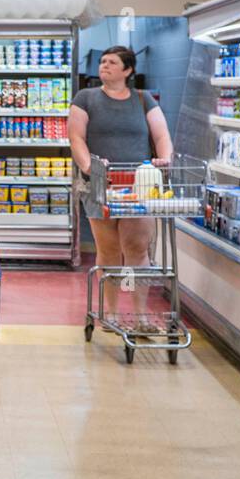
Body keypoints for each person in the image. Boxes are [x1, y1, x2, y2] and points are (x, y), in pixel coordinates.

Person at [68, 46, 174, 330]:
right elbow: (76, 137)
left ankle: (140, 316)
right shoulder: (85, 98)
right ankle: (111, 313)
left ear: (127, 70)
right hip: (99, 184)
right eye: (102, 62)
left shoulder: (143, 99)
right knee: (109, 250)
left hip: (138, 184)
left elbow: (161, 133)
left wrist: (164, 159)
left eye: (112, 62)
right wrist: (88, 165)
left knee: (138, 249)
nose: (104, 66)